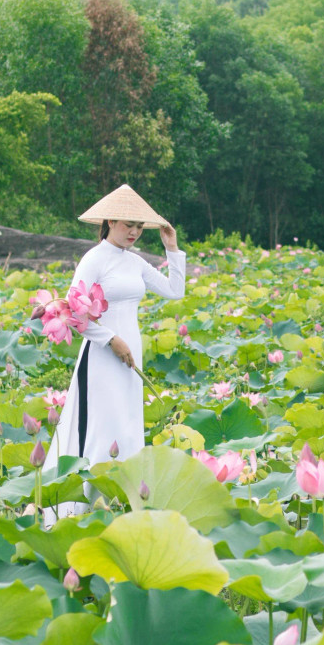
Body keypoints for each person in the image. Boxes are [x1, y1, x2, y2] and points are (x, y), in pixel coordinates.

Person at [43, 184, 186, 521]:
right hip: (101, 356)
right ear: (109, 222)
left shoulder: (135, 263)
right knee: (100, 428)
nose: (134, 232)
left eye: (139, 227)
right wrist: (110, 338)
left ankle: (122, 507)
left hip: (130, 353)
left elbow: (174, 291)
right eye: (127, 225)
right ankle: (73, 512)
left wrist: (172, 248)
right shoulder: (93, 259)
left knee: (127, 426)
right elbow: (73, 313)